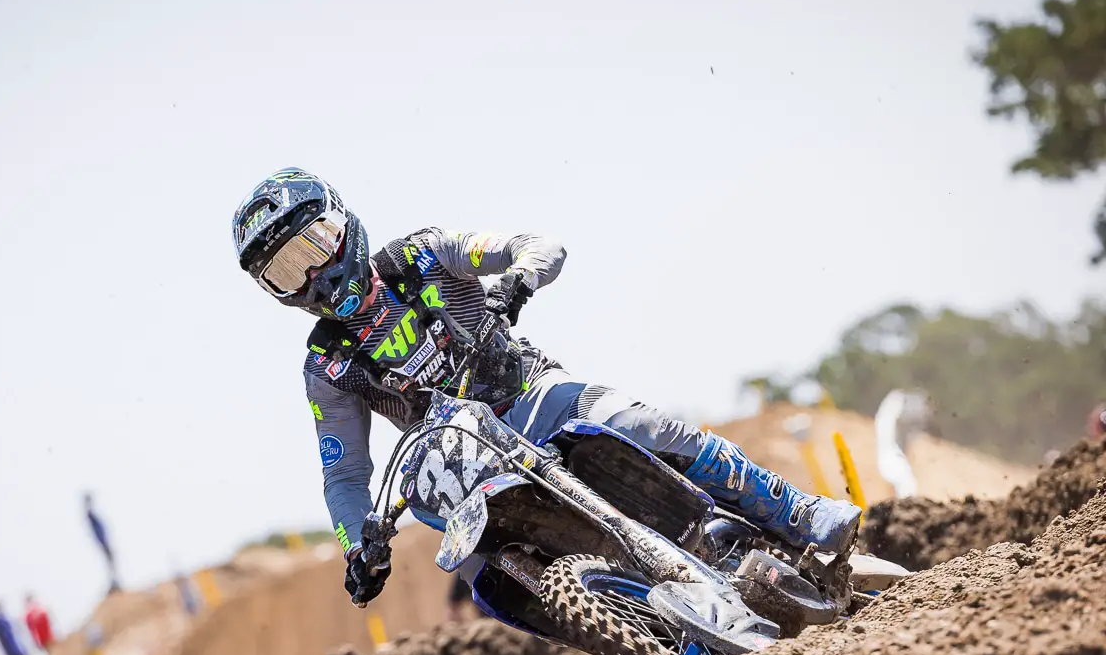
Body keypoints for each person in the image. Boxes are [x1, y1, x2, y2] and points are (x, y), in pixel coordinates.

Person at [231, 168, 862, 605]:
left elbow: (539, 244)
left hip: (532, 393)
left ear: (341, 224)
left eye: (310, 247)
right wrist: (357, 545)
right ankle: (623, 618)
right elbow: (343, 476)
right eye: (285, 273)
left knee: (646, 429)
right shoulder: (328, 366)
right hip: (468, 458)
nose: (311, 275)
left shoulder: (422, 255)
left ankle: (799, 513)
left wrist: (519, 279)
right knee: (485, 572)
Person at [84, 492, 122, 593]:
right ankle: (114, 582)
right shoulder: (91, 515)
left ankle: (114, 581)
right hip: (103, 543)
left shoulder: (92, 515)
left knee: (112, 563)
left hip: (104, 542)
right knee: (111, 563)